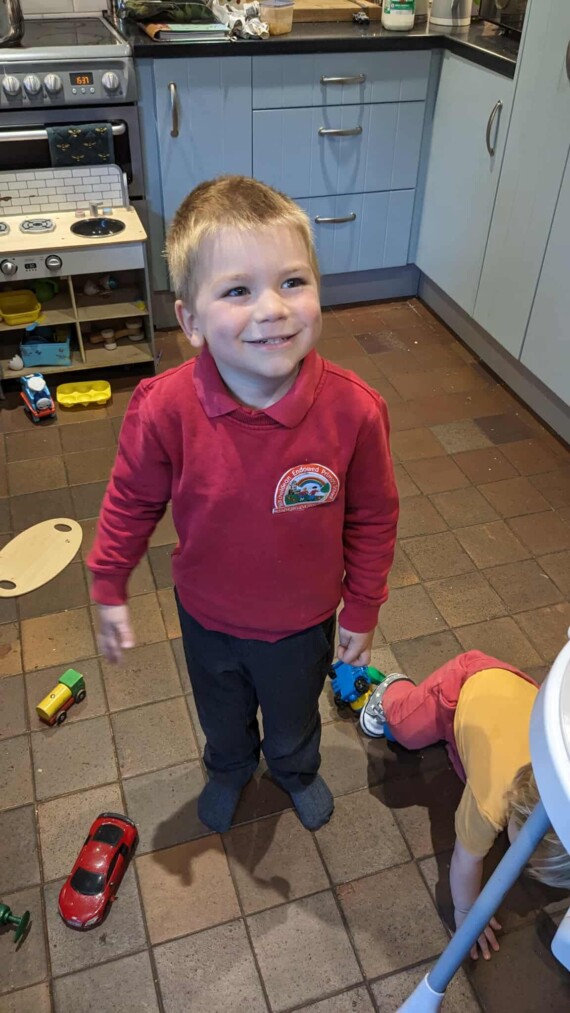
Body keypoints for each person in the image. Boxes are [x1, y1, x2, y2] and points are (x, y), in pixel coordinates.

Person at [87, 175, 399, 835]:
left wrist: (364, 605)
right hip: (207, 613)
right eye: (238, 290)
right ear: (191, 322)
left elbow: (373, 518)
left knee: (294, 714)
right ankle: (229, 768)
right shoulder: (163, 409)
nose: (273, 309)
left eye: (293, 281)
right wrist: (108, 579)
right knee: (222, 713)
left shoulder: (355, 411)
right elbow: (131, 499)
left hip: (303, 619)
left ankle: (295, 769)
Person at [360, 650, 570, 959]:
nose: (523, 862)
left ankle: (455, 736)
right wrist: (466, 911)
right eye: (528, 858)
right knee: (405, 729)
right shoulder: (491, 804)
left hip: (516, 693)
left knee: (467, 763)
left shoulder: (558, 767)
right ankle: (391, 691)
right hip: (460, 685)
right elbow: (465, 860)